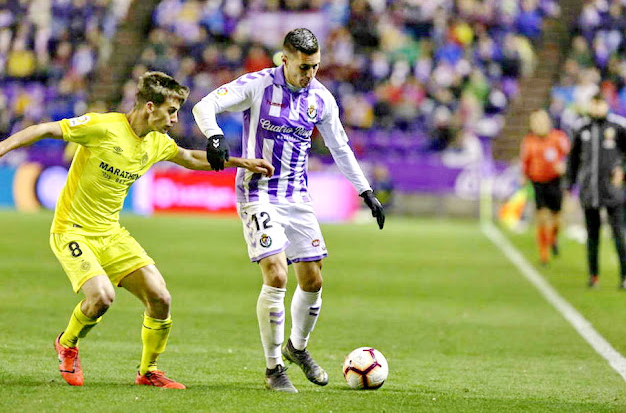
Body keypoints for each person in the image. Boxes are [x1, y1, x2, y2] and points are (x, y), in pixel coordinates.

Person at [0, 71, 274, 389]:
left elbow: (188, 157)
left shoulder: (156, 142)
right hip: (71, 231)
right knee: (102, 297)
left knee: (160, 298)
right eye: (170, 111)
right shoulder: (102, 126)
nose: (174, 119)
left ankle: (148, 372)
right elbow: (46, 128)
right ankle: (68, 343)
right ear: (149, 107)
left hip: (111, 234)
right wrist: (4, 146)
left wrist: (241, 162)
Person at [192, 28, 385, 393]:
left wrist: (366, 191)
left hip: (297, 198)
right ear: (285, 59)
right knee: (277, 275)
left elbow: (340, 147)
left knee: (313, 280)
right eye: (304, 67)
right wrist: (215, 136)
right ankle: (273, 368)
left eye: (315, 67)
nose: (309, 74)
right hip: (257, 193)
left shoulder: (322, 99)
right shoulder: (258, 85)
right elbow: (204, 106)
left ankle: (297, 348)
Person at [567, 93, 626, 289]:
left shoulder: (619, 126)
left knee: (618, 233)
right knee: (592, 235)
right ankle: (593, 276)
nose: (597, 108)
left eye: (600, 104)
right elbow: (573, 159)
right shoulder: (581, 127)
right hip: (590, 189)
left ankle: (624, 276)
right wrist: (569, 184)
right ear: (589, 105)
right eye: (593, 104)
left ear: (606, 105)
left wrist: (622, 170)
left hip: (612, 189)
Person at [520, 109, 570, 265]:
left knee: (557, 219)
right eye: (535, 122)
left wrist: (564, 167)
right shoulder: (528, 141)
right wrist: (524, 176)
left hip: (555, 181)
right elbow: (525, 162)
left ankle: (553, 238)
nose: (539, 125)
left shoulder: (558, 138)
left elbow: (570, 156)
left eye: (541, 121)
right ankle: (544, 254)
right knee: (541, 216)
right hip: (538, 182)